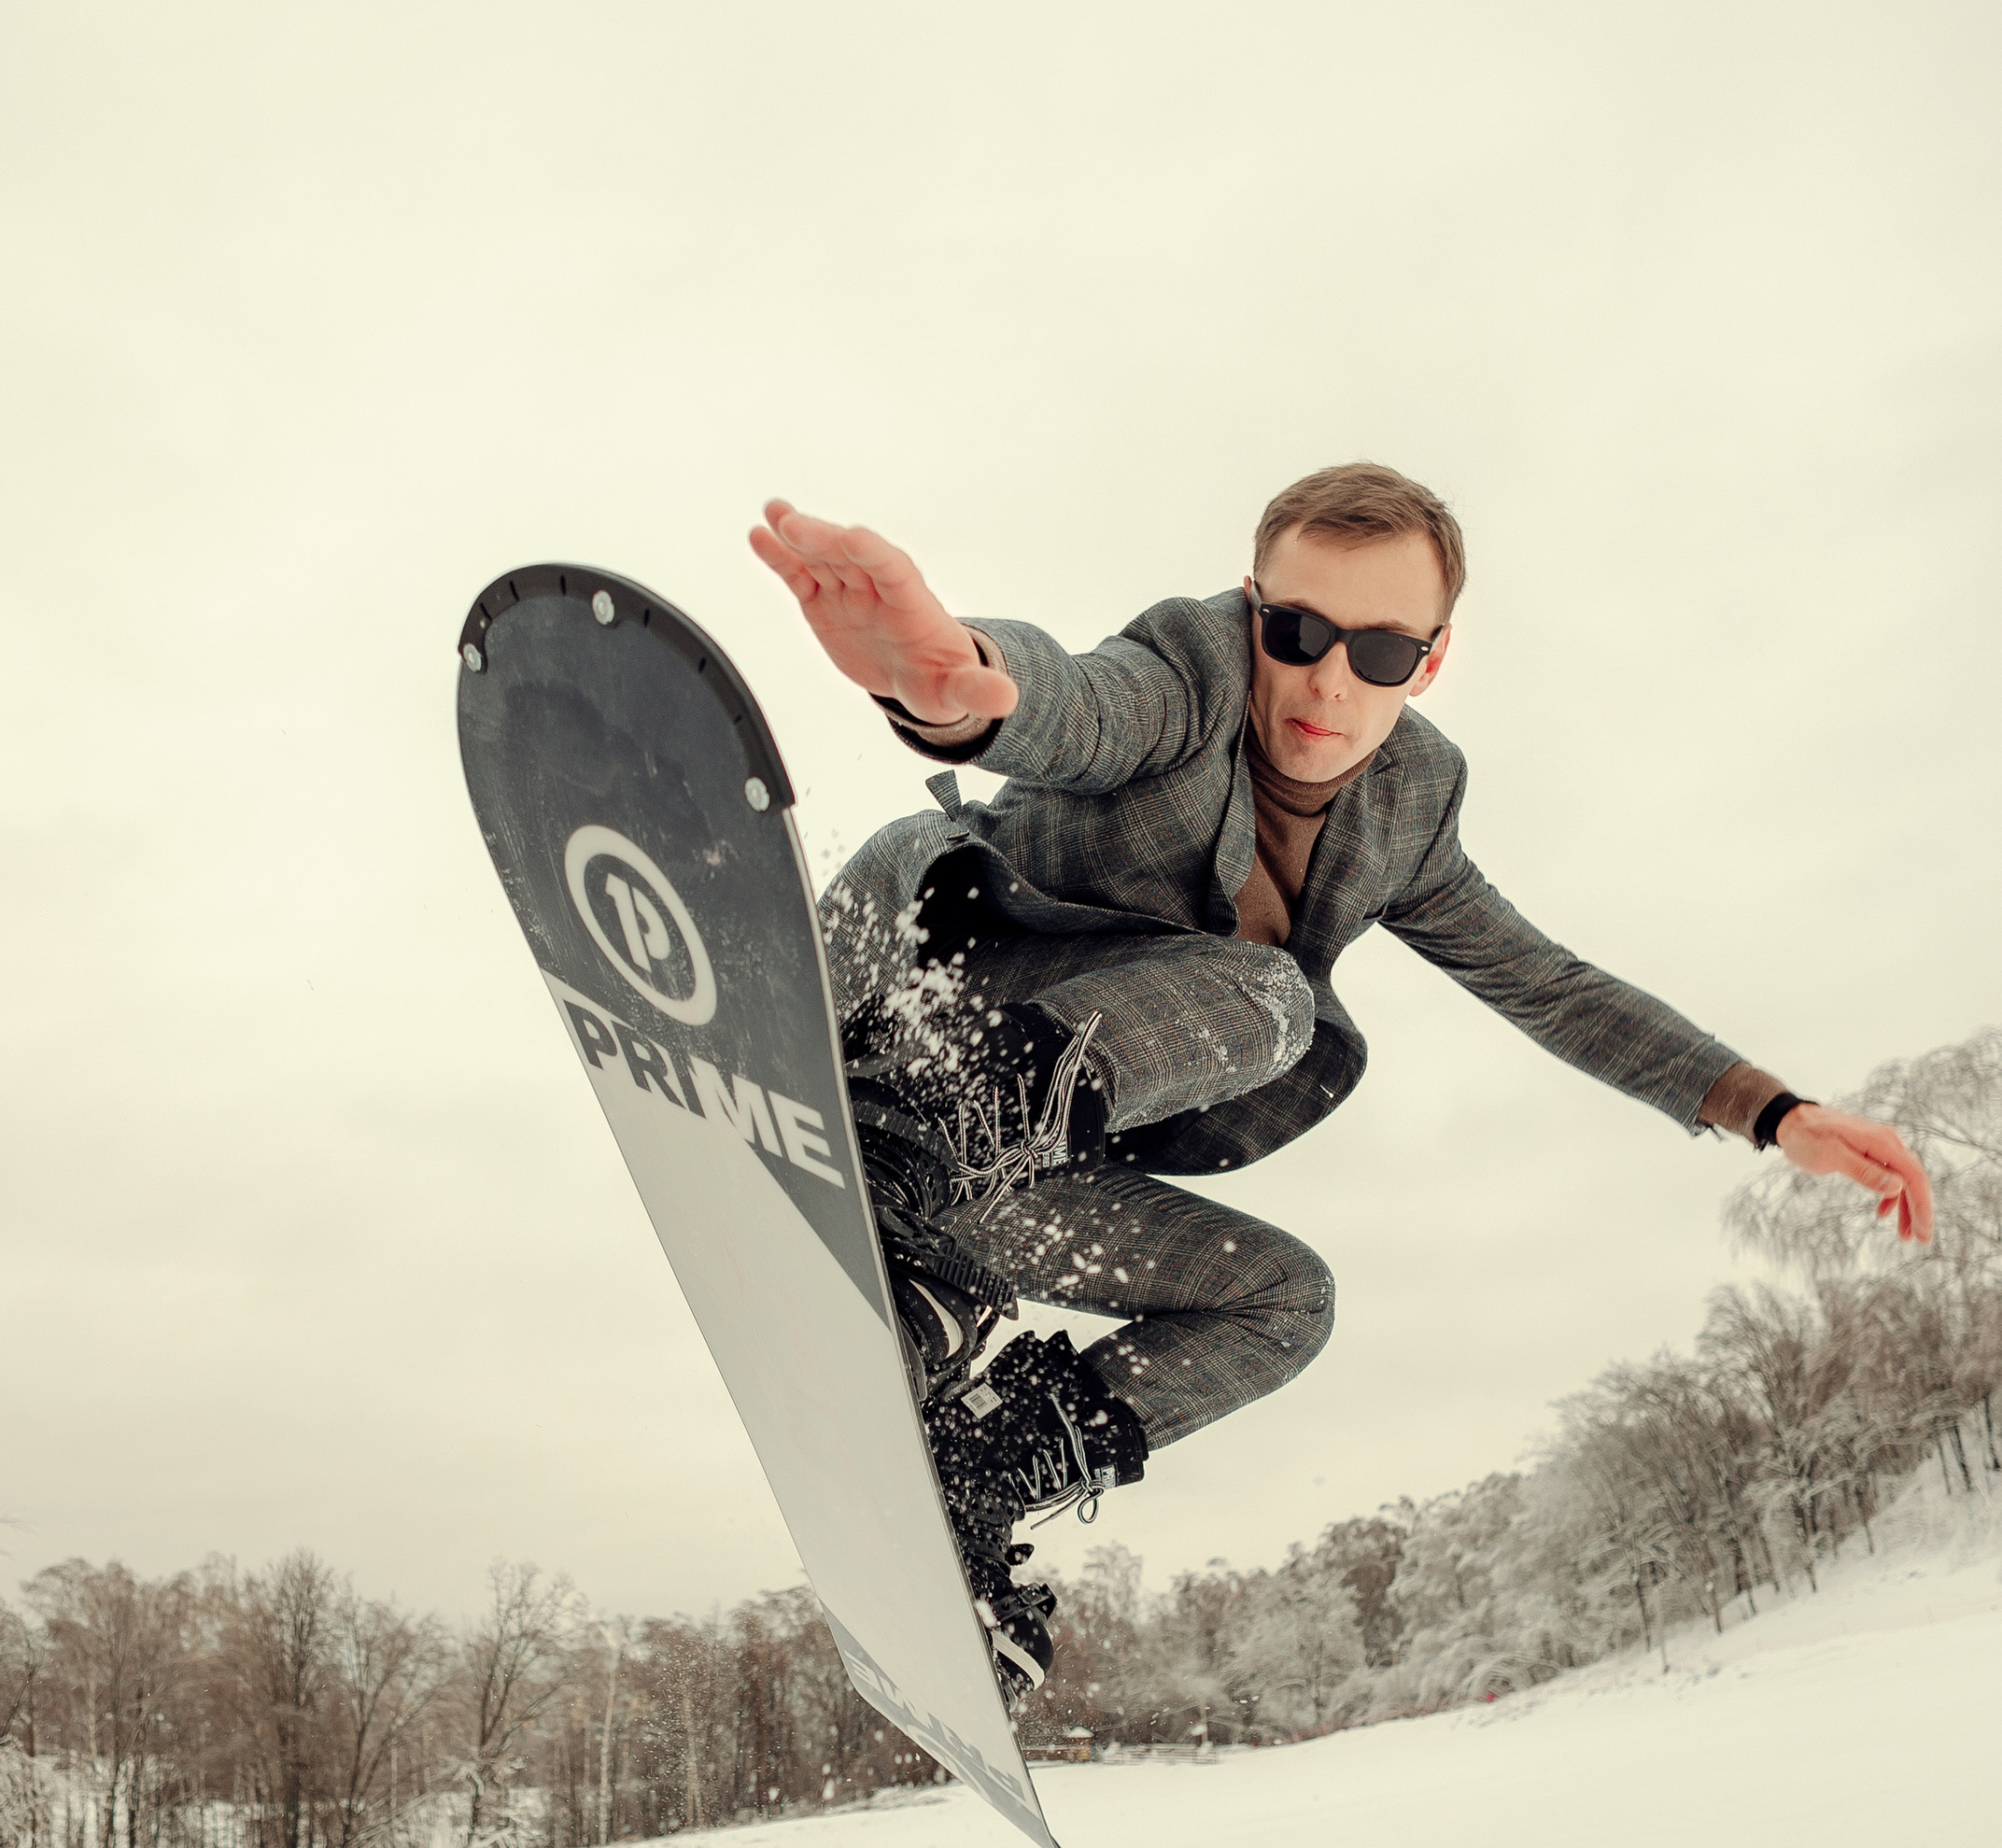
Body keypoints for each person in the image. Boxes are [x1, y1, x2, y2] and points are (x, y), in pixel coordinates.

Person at [750, 463, 1934, 1699]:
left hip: (1015, 1163)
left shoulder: (1411, 813)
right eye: (1298, 633)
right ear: (1255, 611)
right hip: (923, 1004)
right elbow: (1081, 705)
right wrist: (962, 689)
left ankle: (973, 1472)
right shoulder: (1189, 673)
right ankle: (900, 1147)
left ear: (1430, 661)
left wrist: (1775, 1112)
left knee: (1286, 1303)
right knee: (1276, 1002)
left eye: (1378, 651)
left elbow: (1551, 984)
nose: (1326, 680)